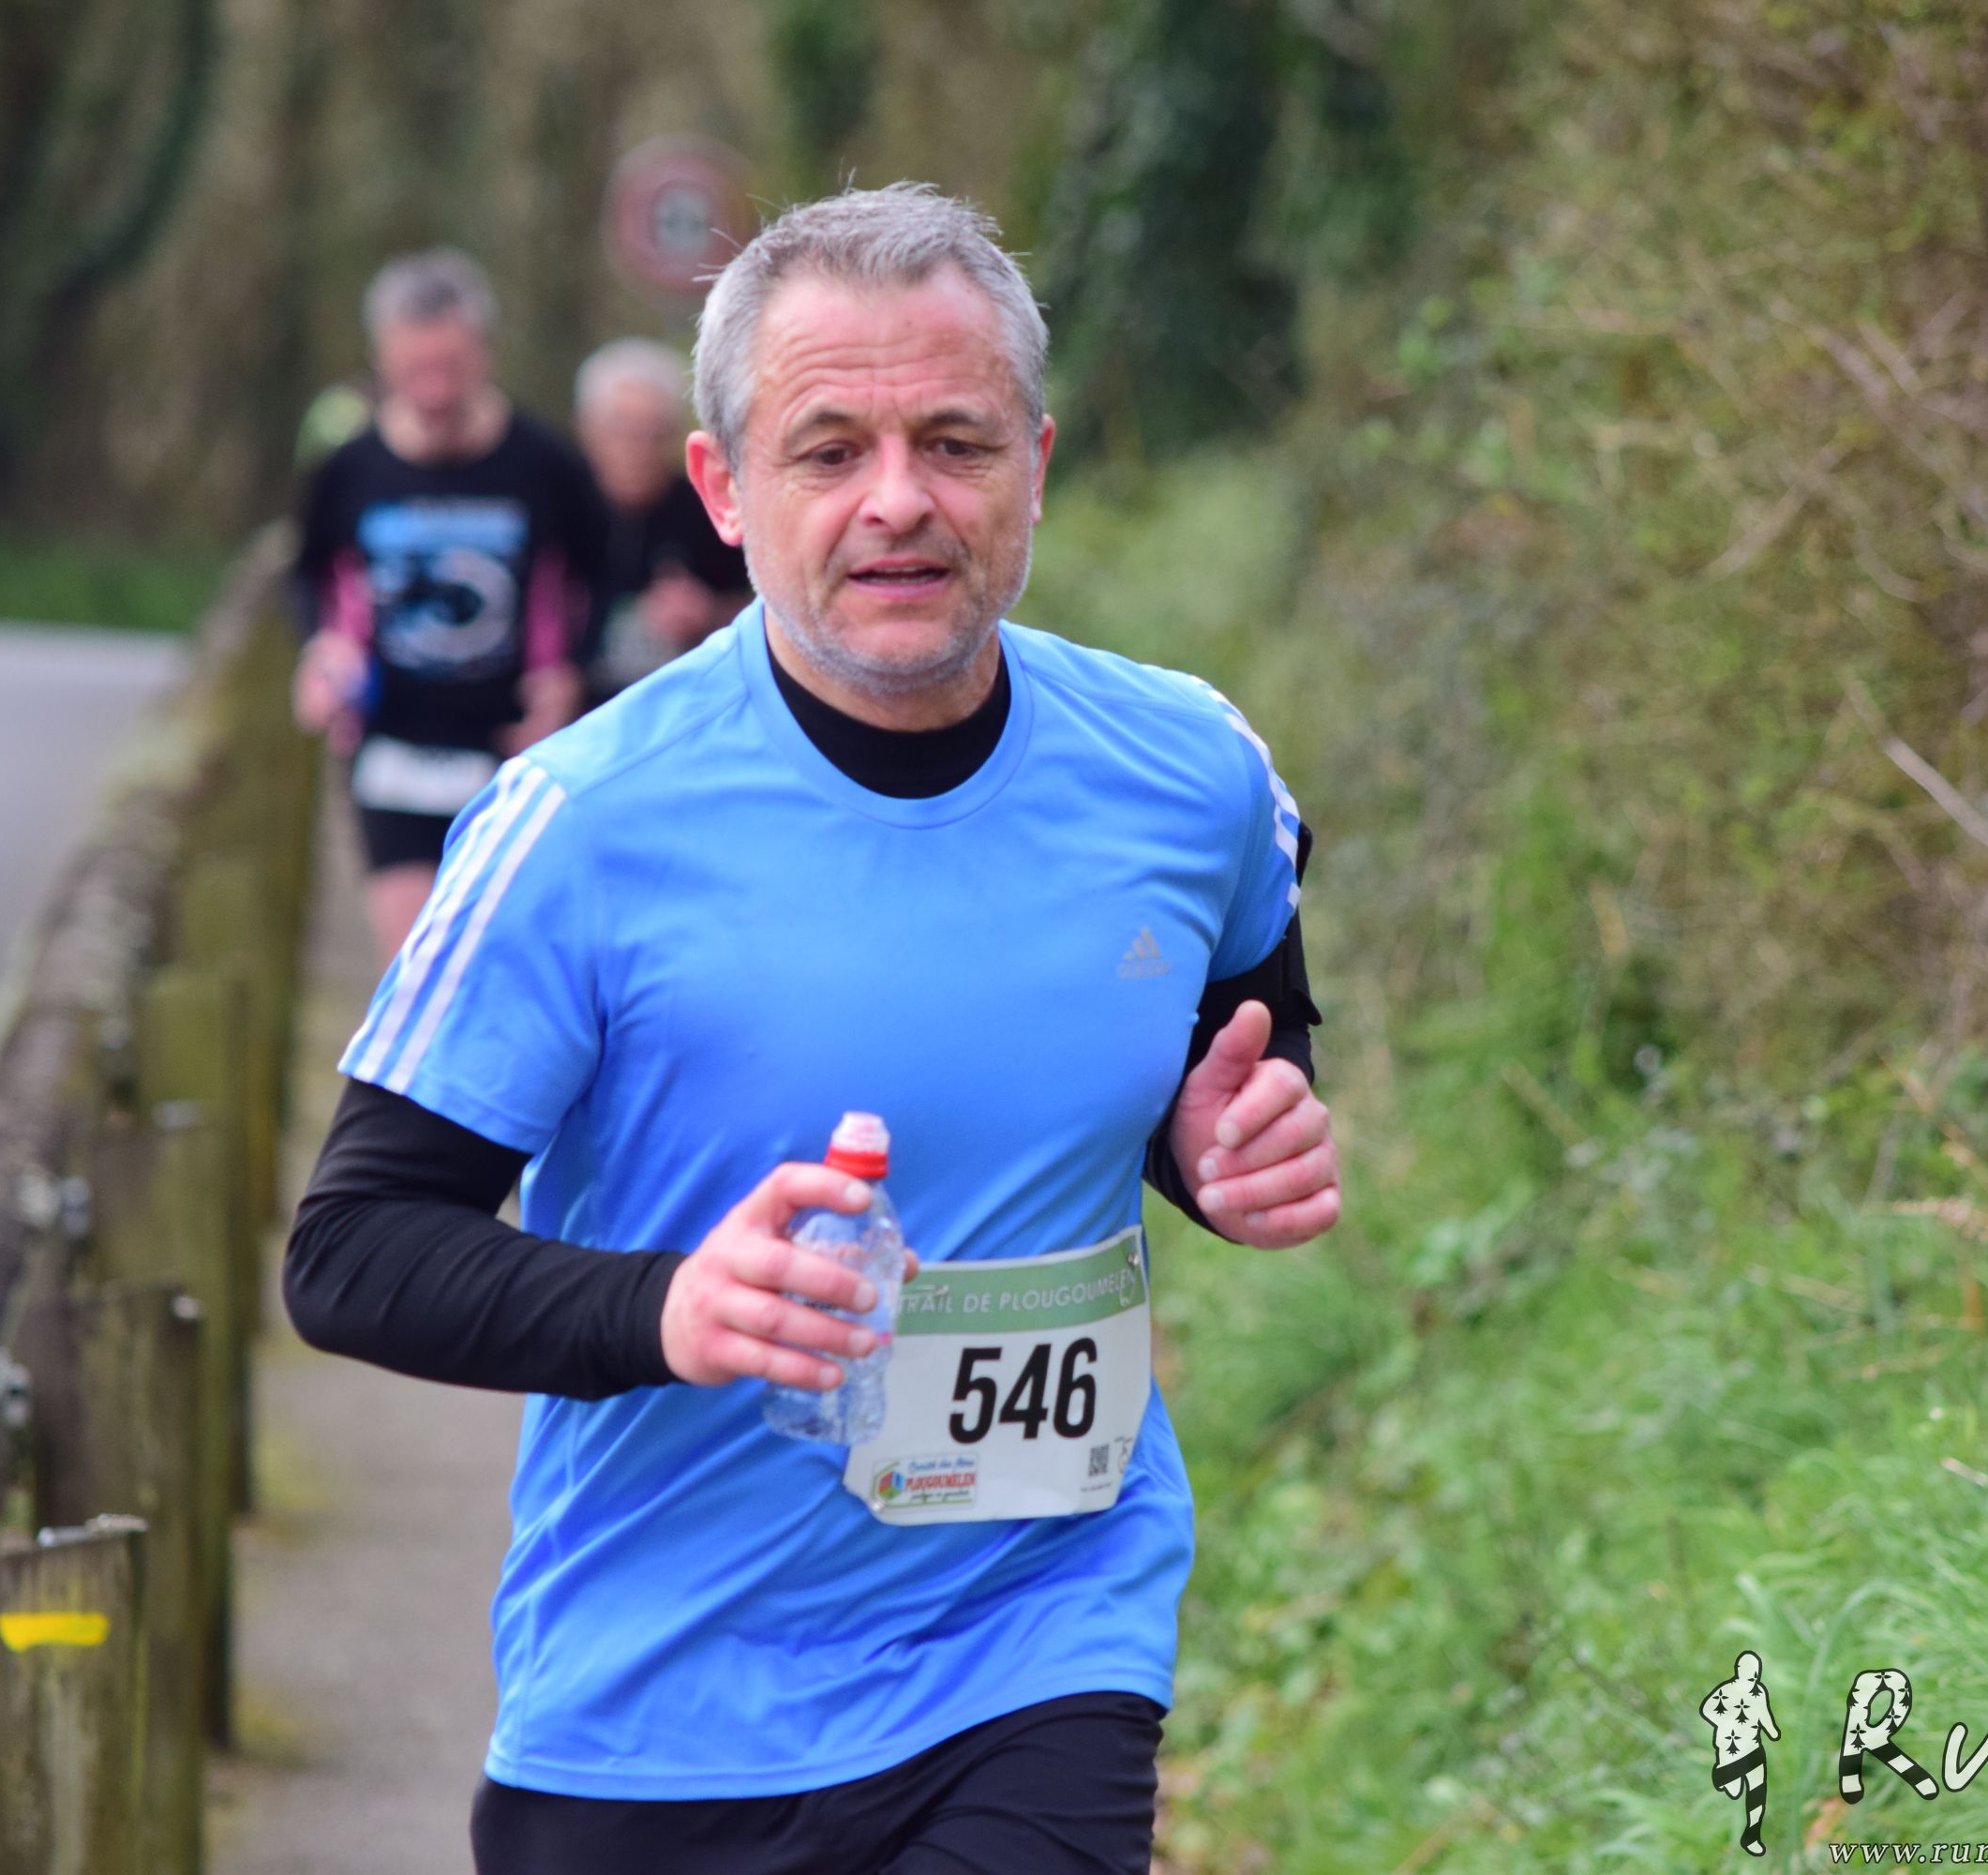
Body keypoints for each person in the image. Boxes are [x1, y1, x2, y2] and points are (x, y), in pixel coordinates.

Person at [283, 184, 1338, 1874]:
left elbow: (1241, 1034)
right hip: (660, 1705)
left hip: (1040, 1638)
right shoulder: (580, 826)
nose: (898, 500)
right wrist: (669, 1308)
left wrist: (1217, 1147)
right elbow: (350, 1253)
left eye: (955, 443)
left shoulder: (1189, 772)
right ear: (722, 489)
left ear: (1036, 463)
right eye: (829, 449)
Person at [291, 248, 605, 960]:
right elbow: (308, 574)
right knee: (413, 966)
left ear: (485, 354)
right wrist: (322, 650)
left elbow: (601, 573)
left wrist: (569, 677)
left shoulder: (546, 463)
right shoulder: (349, 468)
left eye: (450, 369)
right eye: (413, 370)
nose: (433, 392)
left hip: (513, 746)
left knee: (497, 961)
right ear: (381, 359)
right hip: (392, 744)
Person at [570, 338, 753, 706]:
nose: (638, 449)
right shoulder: (562, 505)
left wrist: (707, 612)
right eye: (622, 430)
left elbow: (763, 609)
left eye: (654, 434)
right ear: (586, 431)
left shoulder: (710, 509)